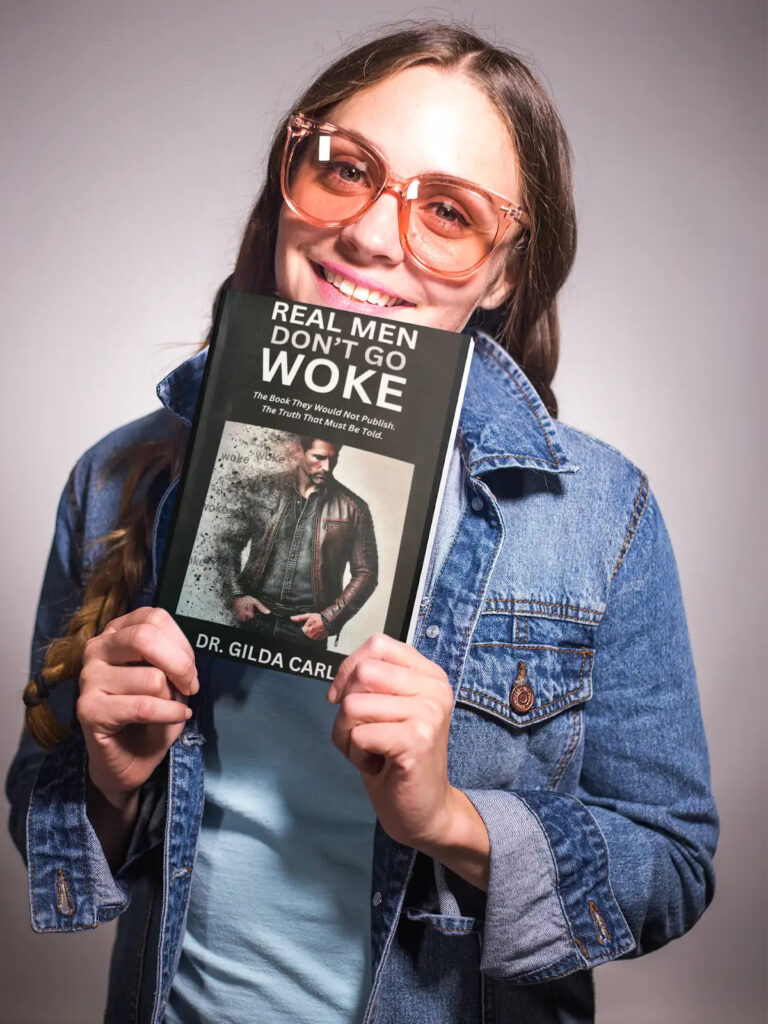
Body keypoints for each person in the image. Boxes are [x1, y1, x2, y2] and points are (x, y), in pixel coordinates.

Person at [5, 21, 719, 1024]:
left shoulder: (600, 518)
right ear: (290, 172)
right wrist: (109, 786)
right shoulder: (120, 475)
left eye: (450, 212)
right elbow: (45, 801)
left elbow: (672, 863)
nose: (375, 235)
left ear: (503, 273)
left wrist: (451, 819)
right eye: (345, 169)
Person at [224, 436, 378, 649]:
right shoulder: (261, 490)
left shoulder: (354, 508)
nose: (327, 467)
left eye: (333, 460)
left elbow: (366, 573)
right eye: (319, 457)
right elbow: (227, 542)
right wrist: (235, 594)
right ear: (298, 451)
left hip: (305, 632)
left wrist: (329, 619)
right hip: (252, 618)